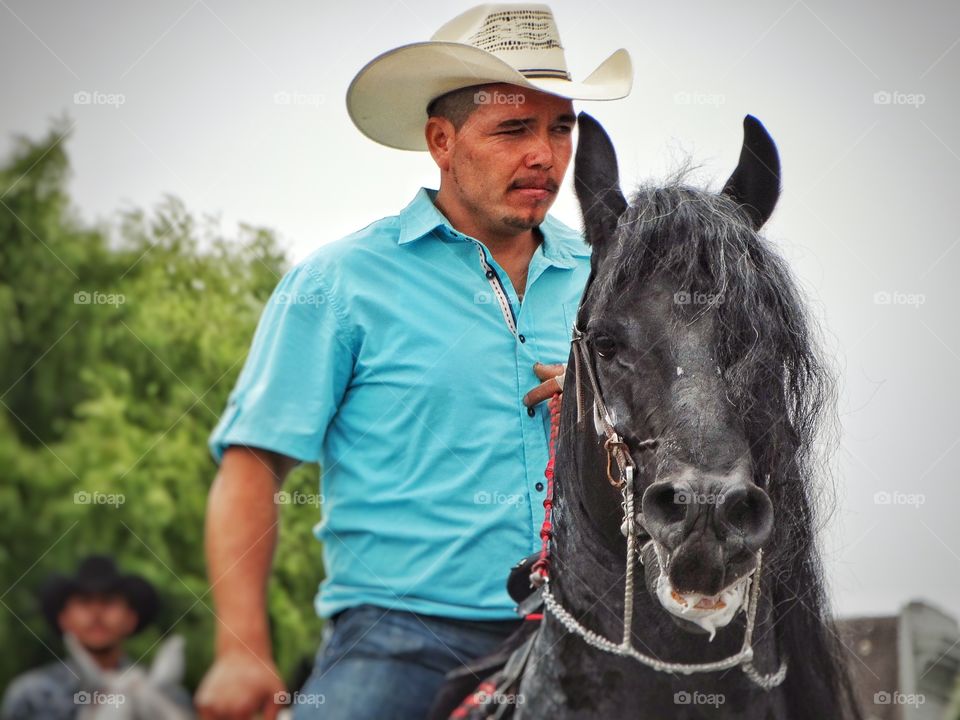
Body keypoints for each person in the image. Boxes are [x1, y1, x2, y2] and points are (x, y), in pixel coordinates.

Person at [194, 4, 632, 719]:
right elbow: (253, 464)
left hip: (591, 631)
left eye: (561, 128)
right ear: (441, 140)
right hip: (400, 638)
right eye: (513, 129)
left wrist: (603, 408)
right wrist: (240, 647)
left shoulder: (610, 285)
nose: (545, 155)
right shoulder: (340, 283)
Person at [1, 554, 192, 719]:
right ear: (64, 619)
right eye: (84, 601)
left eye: (108, 601)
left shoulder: (168, 695)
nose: (96, 612)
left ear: (131, 619)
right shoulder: (32, 696)